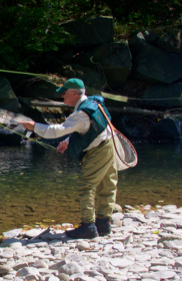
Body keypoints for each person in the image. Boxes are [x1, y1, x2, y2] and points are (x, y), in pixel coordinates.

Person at [20, 78, 117, 239]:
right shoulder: (92, 103)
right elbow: (88, 129)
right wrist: (67, 142)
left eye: (64, 93)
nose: (62, 97)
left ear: (73, 93)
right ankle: (104, 224)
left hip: (99, 150)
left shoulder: (81, 114)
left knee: (86, 185)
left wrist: (34, 126)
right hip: (109, 143)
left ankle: (88, 226)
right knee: (108, 185)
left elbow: (57, 130)